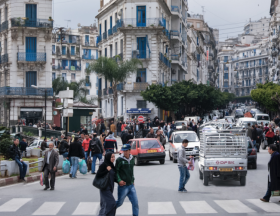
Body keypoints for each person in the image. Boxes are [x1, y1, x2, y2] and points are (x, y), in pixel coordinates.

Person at [116, 144, 139, 216]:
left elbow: (131, 171)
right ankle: (108, 210)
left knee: (135, 203)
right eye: (124, 151)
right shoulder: (119, 160)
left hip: (131, 185)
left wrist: (133, 179)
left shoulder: (132, 159)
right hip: (123, 186)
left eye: (126, 151)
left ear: (130, 150)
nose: (125, 152)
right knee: (119, 203)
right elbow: (116, 171)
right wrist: (119, 180)